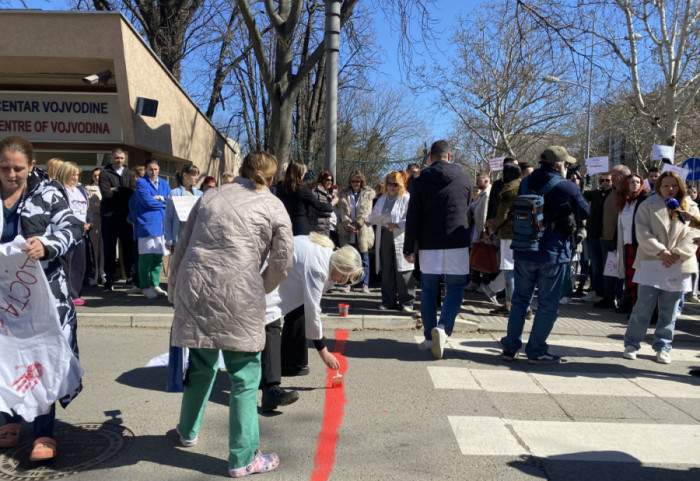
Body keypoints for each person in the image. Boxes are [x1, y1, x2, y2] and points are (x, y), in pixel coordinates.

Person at [169, 151, 293, 477]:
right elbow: (282, 262)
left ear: (242, 170)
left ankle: (187, 431)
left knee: (200, 363)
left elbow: (184, 244)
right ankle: (243, 457)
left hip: (196, 289)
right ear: (271, 176)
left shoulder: (210, 195)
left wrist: (174, 286)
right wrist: (261, 286)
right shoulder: (274, 206)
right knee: (244, 376)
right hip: (240, 292)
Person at [0, 136, 83, 461]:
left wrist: (47, 244)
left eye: (18, 168)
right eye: (4, 167)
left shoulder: (48, 192)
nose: (11, 174)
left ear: (31, 166)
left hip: (42, 298)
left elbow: (73, 227)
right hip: (4, 299)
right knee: (3, 358)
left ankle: (44, 432)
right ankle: (7, 420)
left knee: (40, 361)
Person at [500, 146, 589, 364]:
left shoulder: (526, 182)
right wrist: (577, 188)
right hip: (552, 253)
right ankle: (537, 350)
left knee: (520, 300)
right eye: (566, 164)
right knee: (548, 304)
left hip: (524, 248)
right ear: (559, 165)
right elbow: (585, 212)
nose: (567, 167)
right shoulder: (567, 187)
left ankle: (511, 347)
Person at [262, 234, 363, 409]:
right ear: (340, 266)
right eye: (344, 277)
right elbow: (313, 312)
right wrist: (324, 353)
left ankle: (289, 364)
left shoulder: (328, 255)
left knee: (298, 311)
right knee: (271, 325)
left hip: (280, 275)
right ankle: (270, 390)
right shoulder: (318, 266)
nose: (342, 282)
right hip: (265, 276)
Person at [403, 140, 472, 360]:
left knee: (429, 290)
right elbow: (468, 205)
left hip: (429, 242)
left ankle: (429, 336)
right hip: (457, 241)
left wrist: (408, 246)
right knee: (456, 288)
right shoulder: (464, 177)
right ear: (449, 156)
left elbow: (413, 215)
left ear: (430, 157)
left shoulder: (420, 179)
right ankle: (443, 328)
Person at [622, 171, 699, 364]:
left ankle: (663, 346)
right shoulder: (647, 205)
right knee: (643, 306)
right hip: (651, 261)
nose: (670, 189)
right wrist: (662, 251)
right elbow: (642, 231)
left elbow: (693, 235)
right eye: (666, 185)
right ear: (659, 187)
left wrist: (677, 253)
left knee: (669, 309)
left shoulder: (691, 208)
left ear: (680, 186)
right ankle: (632, 343)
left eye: (674, 185)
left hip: (678, 263)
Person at [368, 171, 415, 312]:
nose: (391, 187)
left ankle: (406, 302)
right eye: (388, 184)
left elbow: (412, 217)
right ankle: (388, 301)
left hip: (400, 236)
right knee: (387, 269)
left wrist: (398, 224)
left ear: (400, 184)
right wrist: (370, 219)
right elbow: (374, 214)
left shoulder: (406, 198)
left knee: (403, 270)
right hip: (384, 235)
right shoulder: (382, 198)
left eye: (394, 184)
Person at [129, 159, 171, 299]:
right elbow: (146, 202)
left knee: (158, 258)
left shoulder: (164, 183)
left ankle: (155, 284)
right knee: (145, 258)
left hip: (161, 225)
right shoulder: (142, 183)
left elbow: (170, 200)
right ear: (146, 169)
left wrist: (160, 199)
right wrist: (162, 202)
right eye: (151, 169)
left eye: (156, 169)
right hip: (147, 225)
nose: (153, 172)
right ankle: (146, 287)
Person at [488, 163, 522, 315]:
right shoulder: (523, 185)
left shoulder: (508, 189)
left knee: (508, 270)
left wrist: (493, 226)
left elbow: (503, 214)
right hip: (523, 233)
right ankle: (521, 305)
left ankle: (510, 305)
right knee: (518, 270)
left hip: (508, 234)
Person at [596, 164, 631, 308]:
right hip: (606, 238)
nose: (612, 178)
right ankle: (608, 298)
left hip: (621, 240)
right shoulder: (610, 192)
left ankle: (626, 300)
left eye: (615, 176)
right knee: (609, 270)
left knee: (625, 272)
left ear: (624, 177)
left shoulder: (628, 194)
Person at [56, 161, 91, 306]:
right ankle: (64, 294)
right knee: (66, 265)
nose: (75, 177)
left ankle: (75, 293)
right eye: (72, 174)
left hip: (81, 233)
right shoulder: (59, 190)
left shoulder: (80, 190)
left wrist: (89, 223)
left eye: (77, 174)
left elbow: (86, 210)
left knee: (79, 264)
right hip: (66, 232)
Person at [99, 147, 134, 291]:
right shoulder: (104, 173)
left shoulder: (129, 172)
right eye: (116, 158)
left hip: (126, 216)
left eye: (121, 158)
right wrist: (122, 190)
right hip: (109, 216)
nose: (119, 160)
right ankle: (109, 279)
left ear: (124, 159)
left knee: (128, 248)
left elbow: (132, 191)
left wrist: (116, 189)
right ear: (111, 158)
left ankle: (130, 277)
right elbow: (106, 194)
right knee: (109, 249)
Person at [614, 174, 649, 313]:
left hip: (639, 244)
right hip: (626, 244)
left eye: (638, 182)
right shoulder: (623, 201)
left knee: (640, 277)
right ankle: (633, 305)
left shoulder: (644, 199)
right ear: (626, 185)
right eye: (632, 182)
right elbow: (619, 224)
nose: (635, 184)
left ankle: (639, 307)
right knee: (630, 278)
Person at [338, 170, 375, 293]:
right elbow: (343, 211)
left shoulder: (367, 194)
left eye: (357, 181)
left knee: (364, 258)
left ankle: (365, 283)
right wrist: (348, 224)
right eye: (353, 181)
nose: (355, 184)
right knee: (349, 259)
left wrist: (357, 224)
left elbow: (366, 211)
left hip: (362, 230)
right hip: (348, 231)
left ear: (361, 181)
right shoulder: (344, 193)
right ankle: (348, 283)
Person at [276, 162, 336, 236]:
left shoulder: (280, 188)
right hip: (301, 227)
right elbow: (318, 205)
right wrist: (332, 203)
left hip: (285, 224)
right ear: (300, 174)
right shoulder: (302, 189)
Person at [582, 172, 613, 303]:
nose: (604, 182)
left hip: (606, 236)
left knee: (608, 266)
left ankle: (608, 294)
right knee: (595, 266)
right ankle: (596, 291)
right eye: (602, 180)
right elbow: (581, 192)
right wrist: (583, 177)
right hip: (594, 235)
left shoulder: (614, 195)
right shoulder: (596, 193)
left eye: (607, 180)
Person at [466, 173, 495, 300]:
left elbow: (484, 213)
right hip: (475, 229)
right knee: (476, 255)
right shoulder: (481, 194)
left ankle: (484, 283)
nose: (477, 182)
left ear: (487, 180)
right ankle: (475, 281)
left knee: (484, 256)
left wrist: (484, 231)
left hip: (481, 230)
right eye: (477, 179)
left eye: (480, 180)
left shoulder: (487, 195)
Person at [164, 162, 202, 251]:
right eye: (194, 175)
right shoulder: (174, 193)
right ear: (185, 175)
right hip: (179, 238)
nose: (197, 178)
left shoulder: (200, 194)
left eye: (197, 175)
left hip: (195, 238)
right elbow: (168, 219)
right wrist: (169, 240)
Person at [83, 168, 103, 286]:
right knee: (94, 250)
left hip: (105, 222)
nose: (97, 178)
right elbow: (89, 207)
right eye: (95, 176)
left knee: (104, 250)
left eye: (99, 175)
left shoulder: (106, 188)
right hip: (94, 222)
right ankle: (94, 275)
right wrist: (102, 208)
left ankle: (103, 273)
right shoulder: (88, 189)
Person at [308, 170, 336, 238]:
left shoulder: (330, 195)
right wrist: (332, 203)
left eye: (331, 180)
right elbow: (316, 209)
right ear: (322, 180)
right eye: (327, 180)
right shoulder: (315, 192)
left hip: (330, 228)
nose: (330, 182)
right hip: (318, 230)